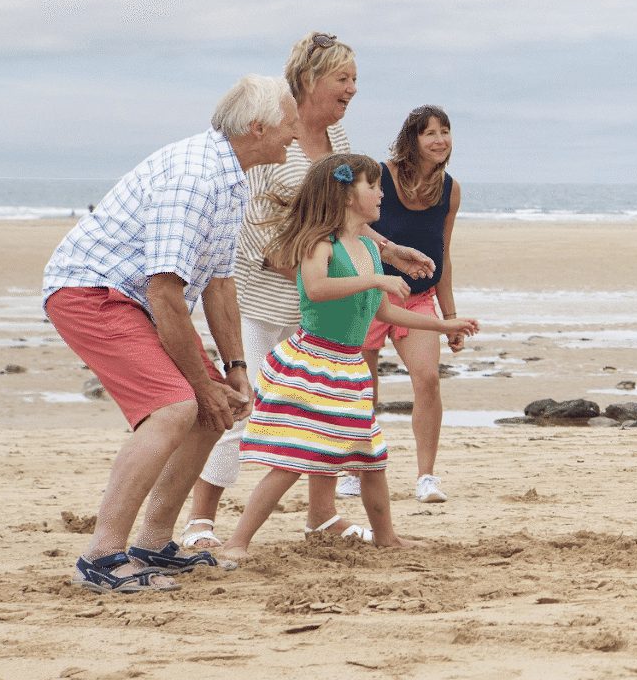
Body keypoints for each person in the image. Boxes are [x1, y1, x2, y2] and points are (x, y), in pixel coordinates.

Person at [42, 75, 298, 591]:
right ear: (257, 127)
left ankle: (153, 543)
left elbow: (219, 285)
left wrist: (235, 371)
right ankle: (103, 556)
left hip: (138, 299)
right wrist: (200, 386)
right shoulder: (196, 177)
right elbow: (165, 293)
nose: (294, 135)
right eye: (289, 124)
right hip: (91, 292)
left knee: (214, 407)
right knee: (177, 407)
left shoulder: (233, 175)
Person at [181, 33, 431, 548]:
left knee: (322, 413)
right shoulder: (276, 133)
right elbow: (248, 220)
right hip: (270, 295)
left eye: (355, 79)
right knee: (248, 406)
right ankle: (201, 516)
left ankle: (321, 516)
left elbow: (341, 215)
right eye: (343, 79)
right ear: (309, 80)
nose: (353, 90)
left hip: (324, 301)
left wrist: (386, 248)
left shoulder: (337, 140)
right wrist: (302, 267)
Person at [220, 155, 478, 563]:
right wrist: (377, 278)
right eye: (372, 186)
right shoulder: (320, 243)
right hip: (314, 365)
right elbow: (317, 288)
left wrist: (444, 326)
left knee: (371, 458)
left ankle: (386, 537)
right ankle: (238, 541)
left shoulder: (368, 249)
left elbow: (383, 312)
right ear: (345, 194)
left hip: (349, 368)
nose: (381, 193)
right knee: (292, 459)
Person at [363, 106, 464, 504]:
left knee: (428, 379)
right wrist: (388, 252)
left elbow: (444, 253)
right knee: (362, 389)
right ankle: (359, 467)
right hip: (369, 295)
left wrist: (451, 316)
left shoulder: (450, 189)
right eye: (430, 133)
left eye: (445, 132)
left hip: (420, 297)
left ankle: (426, 477)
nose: (440, 140)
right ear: (413, 139)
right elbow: (350, 224)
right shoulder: (379, 175)